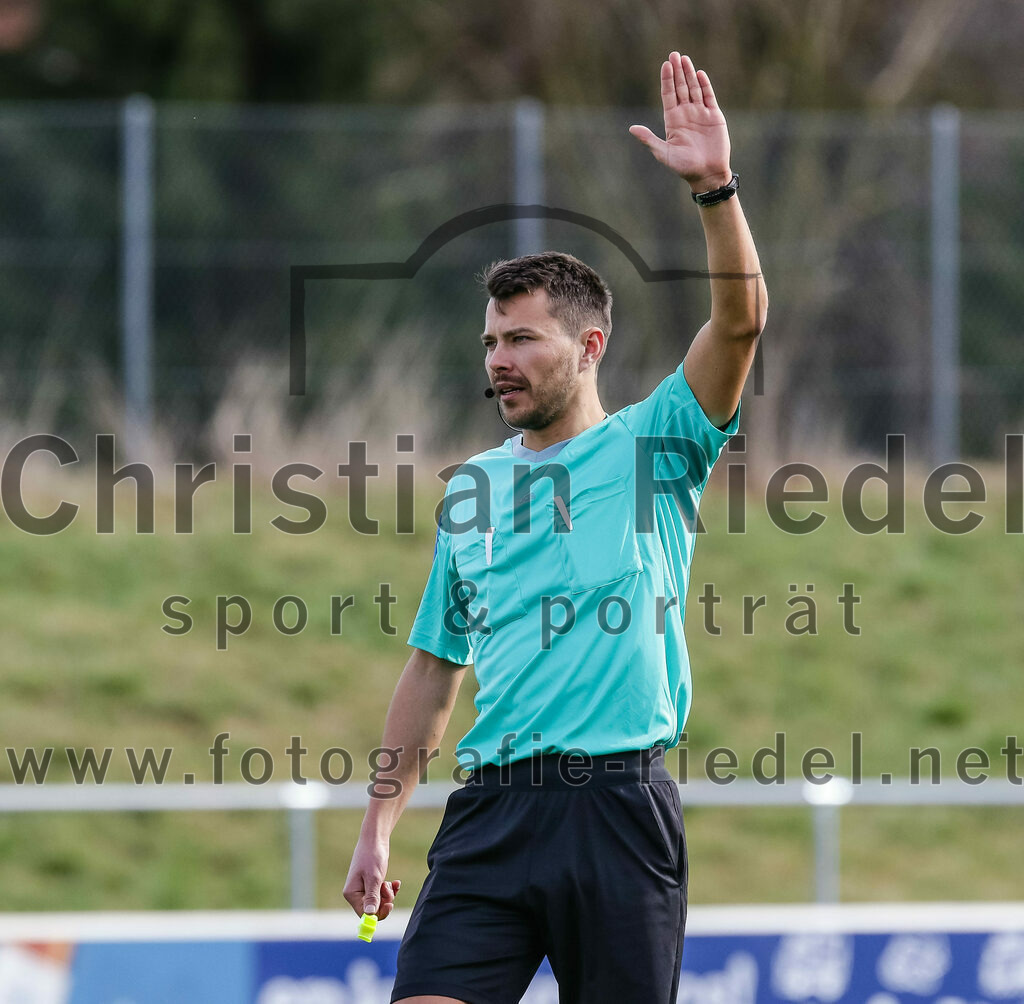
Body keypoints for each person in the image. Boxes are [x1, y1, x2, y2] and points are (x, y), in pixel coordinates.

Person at [343, 51, 767, 1004]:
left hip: (617, 811)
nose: (498, 359)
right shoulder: (473, 492)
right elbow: (432, 667)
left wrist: (714, 191)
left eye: (521, 338)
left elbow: (738, 327)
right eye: (490, 340)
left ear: (589, 347)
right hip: (490, 813)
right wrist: (379, 820)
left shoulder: (656, 443)